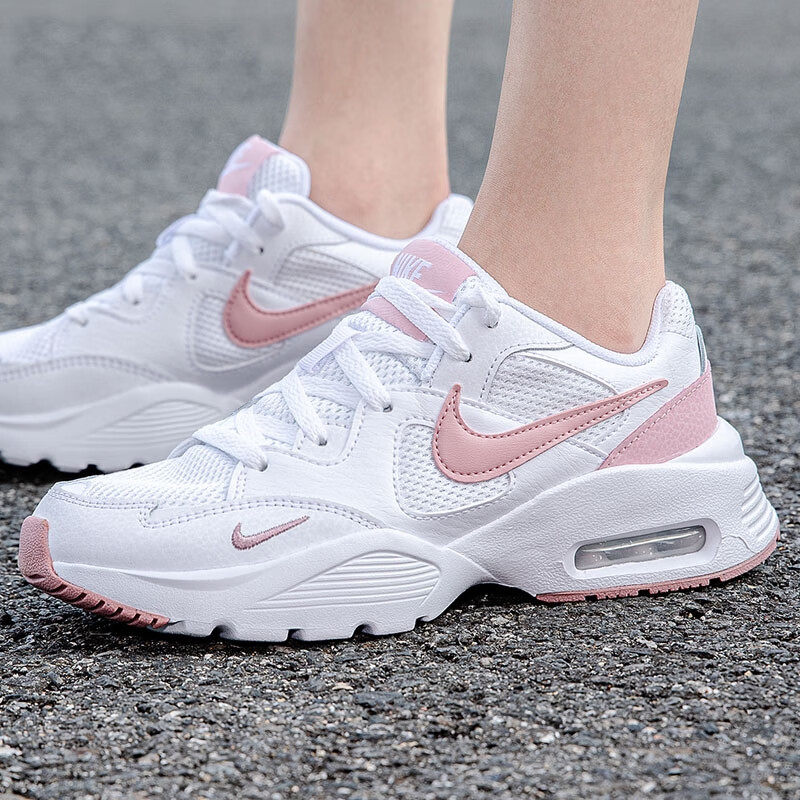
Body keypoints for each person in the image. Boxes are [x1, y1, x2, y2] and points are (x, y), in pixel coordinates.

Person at [16, 1, 778, 640]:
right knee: (360, 181)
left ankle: (569, 309)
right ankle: (358, 200)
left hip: (570, 388)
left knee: (557, 280)